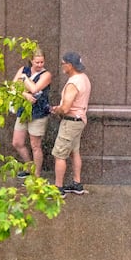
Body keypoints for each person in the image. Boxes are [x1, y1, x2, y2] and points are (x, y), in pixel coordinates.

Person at [50, 52, 91, 199]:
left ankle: (58, 188)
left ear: (70, 65)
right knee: (75, 152)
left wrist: (56, 109)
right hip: (80, 120)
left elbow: (66, 108)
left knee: (59, 154)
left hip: (70, 122)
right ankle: (77, 184)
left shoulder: (73, 83)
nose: (62, 66)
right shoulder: (84, 78)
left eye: (63, 63)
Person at [11, 48, 52, 178]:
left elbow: (34, 89)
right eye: (37, 62)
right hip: (23, 111)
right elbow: (12, 87)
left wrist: (24, 79)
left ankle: (37, 176)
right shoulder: (24, 69)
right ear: (31, 61)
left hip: (38, 112)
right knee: (17, 142)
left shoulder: (46, 75)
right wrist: (24, 95)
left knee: (35, 145)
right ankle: (29, 167)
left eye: (42, 62)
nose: (40, 65)